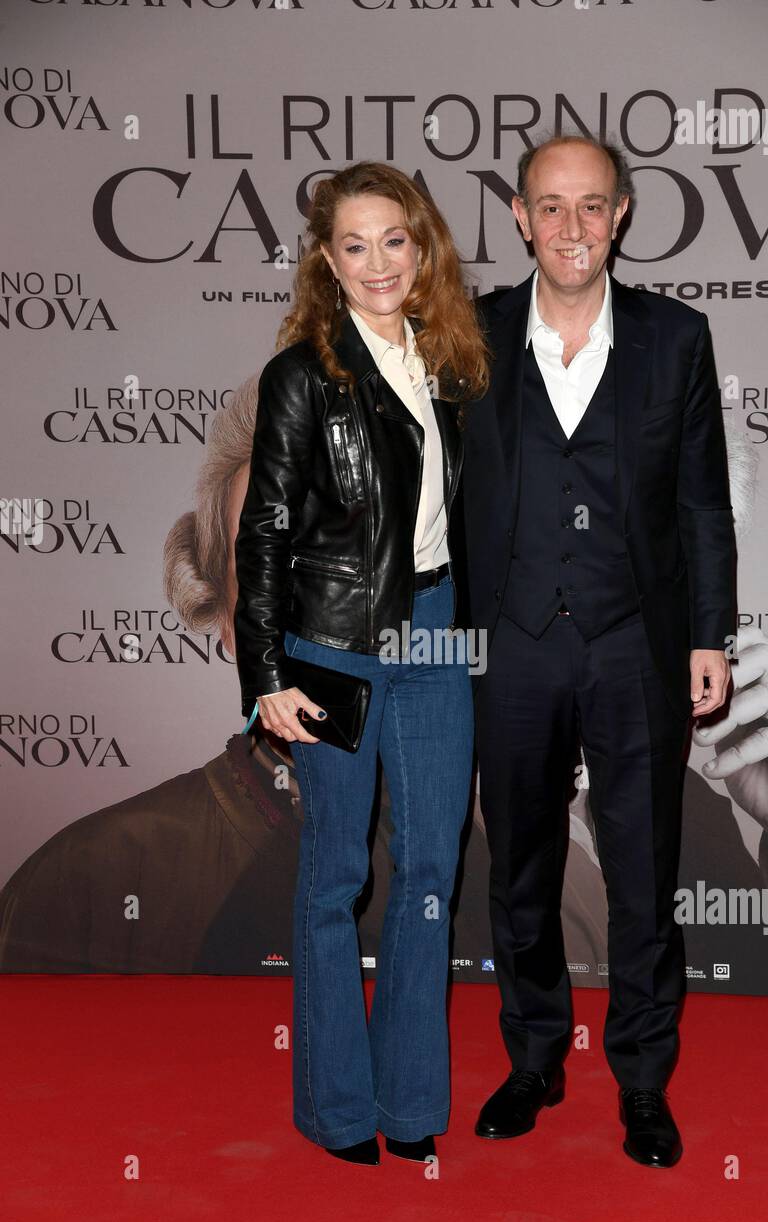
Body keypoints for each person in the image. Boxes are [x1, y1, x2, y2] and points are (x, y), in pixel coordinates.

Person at [457, 132, 737, 1167]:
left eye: (590, 206)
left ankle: (640, 1079)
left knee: (640, 873)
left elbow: (701, 504)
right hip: (513, 648)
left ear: (618, 215)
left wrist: (709, 636)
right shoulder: (470, 337)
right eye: (549, 206)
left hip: (634, 648)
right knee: (519, 869)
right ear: (520, 217)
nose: (570, 227)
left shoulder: (674, 339)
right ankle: (531, 1059)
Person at [232, 161, 489, 1166]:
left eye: (394, 239)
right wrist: (264, 677)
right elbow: (261, 535)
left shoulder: (455, 362)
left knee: (430, 869)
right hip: (329, 647)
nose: (377, 261)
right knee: (337, 874)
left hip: (433, 631)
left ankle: (411, 1096)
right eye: (354, 244)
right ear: (326, 261)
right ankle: (337, 1107)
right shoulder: (303, 374)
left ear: (420, 247)